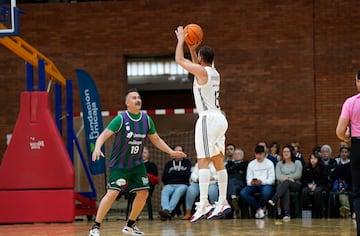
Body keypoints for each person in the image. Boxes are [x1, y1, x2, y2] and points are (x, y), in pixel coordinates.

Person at [88, 89, 186, 236]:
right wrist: (97, 147)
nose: (137, 100)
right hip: (120, 165)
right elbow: (104, 135)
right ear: (127, 103)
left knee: (143, 192)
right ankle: (95, 226)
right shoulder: (121, 119)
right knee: (112, 193)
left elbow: (156, 139)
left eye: (139, 97)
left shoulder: (146, 120)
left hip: (136, 164)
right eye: (134, 98)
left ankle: (130, 225)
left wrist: (171, 152)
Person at [175, 26, 230, 222]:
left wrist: (181, 40)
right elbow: (197, 64)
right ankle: (222, 200)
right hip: (221, 119)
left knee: (203, 161)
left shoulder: (202, 72)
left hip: (207, 119)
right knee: (217, 160)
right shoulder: (214, 72)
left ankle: (205, 202)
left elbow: (179, 61)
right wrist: (193, 49)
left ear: (200, 59)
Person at [336, 70, 360, 235]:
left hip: (358, 146)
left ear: (357, 80)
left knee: (358, 192)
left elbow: (339, 131)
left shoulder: (351, 102)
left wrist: (346, 139)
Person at [268, 145, 303, 222]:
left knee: (286, 183)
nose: (285, 153)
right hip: (283, 185)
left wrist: (287, 177)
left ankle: (274, 199)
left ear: (291, 153)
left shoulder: (297, 162)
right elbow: (278, 176)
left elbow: (298, 175)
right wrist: (288, 178)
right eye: (284, 152)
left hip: (295, 184)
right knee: (285, 188)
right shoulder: (279, 164)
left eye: (287, 151)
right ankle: (286, 214)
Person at [240, 145, 275, 219]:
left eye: (260, 154)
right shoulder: (251, 164)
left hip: (265, 184)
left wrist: (262, 181)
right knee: (243, 193)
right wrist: (251, 182)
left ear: (264, 154)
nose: (258, 156)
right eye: (256, 154)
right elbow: (248, 179)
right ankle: (259, 208)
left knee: (266, 193)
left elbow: (272, 179)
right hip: (253, 185)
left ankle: (260, 208)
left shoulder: (269, 163)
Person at [158, 145, 191, 221]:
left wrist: (173, 173)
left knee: (177, 192)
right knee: (165, 191)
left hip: (182, 185)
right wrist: (179, 174)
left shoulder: (187, 163)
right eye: (177, 151)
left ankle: (167, 212)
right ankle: (166, 210)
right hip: (169, 184)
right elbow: (164, 177)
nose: (178, 153)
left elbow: (187, 175)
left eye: (180, 151)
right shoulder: (169, 164)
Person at [301, 153, 328, 218]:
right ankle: (308, 210)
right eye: (311, 158)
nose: (313, 160)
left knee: (317, 192)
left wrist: (316, 185)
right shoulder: (306, 167)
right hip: (309, 186)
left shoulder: (322, 167)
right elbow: (303, 179)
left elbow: (324, 179)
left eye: (315, 158)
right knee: (304, 191)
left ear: (318, 159)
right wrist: (308, 184)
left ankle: (318, 212)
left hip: (320, 185)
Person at [226, 148, 248, 215]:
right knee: (231, 184)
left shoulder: (245, 163)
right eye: (235, 154)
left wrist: (232, 168)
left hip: (241, 183)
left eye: (238, 154)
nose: (236, 155)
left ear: (242, 156)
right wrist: (236, 169)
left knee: (232, 181)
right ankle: (234, 201)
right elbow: (227, 171)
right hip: (233, 186)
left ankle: (234, 198)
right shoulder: (229, 164)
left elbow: (231, 169)